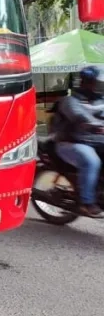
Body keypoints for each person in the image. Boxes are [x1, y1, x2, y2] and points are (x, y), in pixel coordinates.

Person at [52, 65, 104, 217]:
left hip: (98, 142)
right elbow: (79, 116)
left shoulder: (100, 101)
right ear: (85, 82)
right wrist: (94, 125)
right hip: (71, 143)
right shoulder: (70, 101)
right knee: (91, 161)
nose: (99, 86)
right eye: (96, 83)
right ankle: (86, 202)